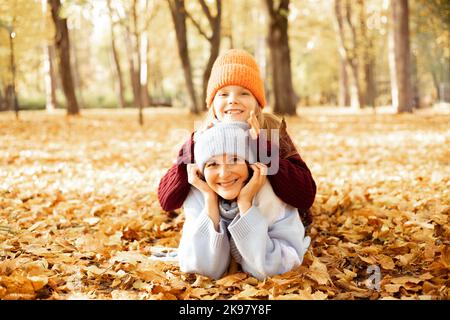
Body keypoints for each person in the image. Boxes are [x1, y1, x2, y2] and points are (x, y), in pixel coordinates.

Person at [158, 49, 316, 225]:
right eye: (223, 94)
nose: (232, 100)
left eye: (244, 93)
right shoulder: (203, 138)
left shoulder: (271, 129)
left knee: (265, 177)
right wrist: (190, 150)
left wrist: (261, 146)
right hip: (219, 228)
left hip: (270, 227)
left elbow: (305, 196)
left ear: (257, 102)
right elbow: (167, 201)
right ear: (213, 104)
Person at [178, 121, 311, 280]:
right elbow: (202, 270)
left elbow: (273, 268)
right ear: (201, 171)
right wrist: (210, 200)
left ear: (250, 165)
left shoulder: (272, 193)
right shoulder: (199, 193)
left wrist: (245, 204)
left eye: (234, 159)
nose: (224, 173)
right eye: (212, 164)